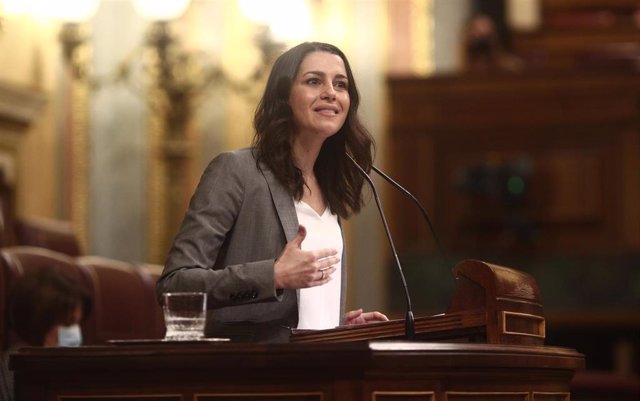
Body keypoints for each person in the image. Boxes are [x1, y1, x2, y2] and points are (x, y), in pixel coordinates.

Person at [156, 41, 388, 342]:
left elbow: (292, 314)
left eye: (340, 84)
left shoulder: (328, 188)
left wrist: (333, 326)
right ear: (284, 97)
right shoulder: (237, 171)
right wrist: (273, 276)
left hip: (320, 373)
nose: (331, 92)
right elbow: (174, 285)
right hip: (253, 374)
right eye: (314, 81)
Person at [1, 269, 92, 401]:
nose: (76, 332)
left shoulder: (78, 368)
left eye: (78, 323)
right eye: (68, 323)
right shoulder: (9, 372)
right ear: (40, 322)